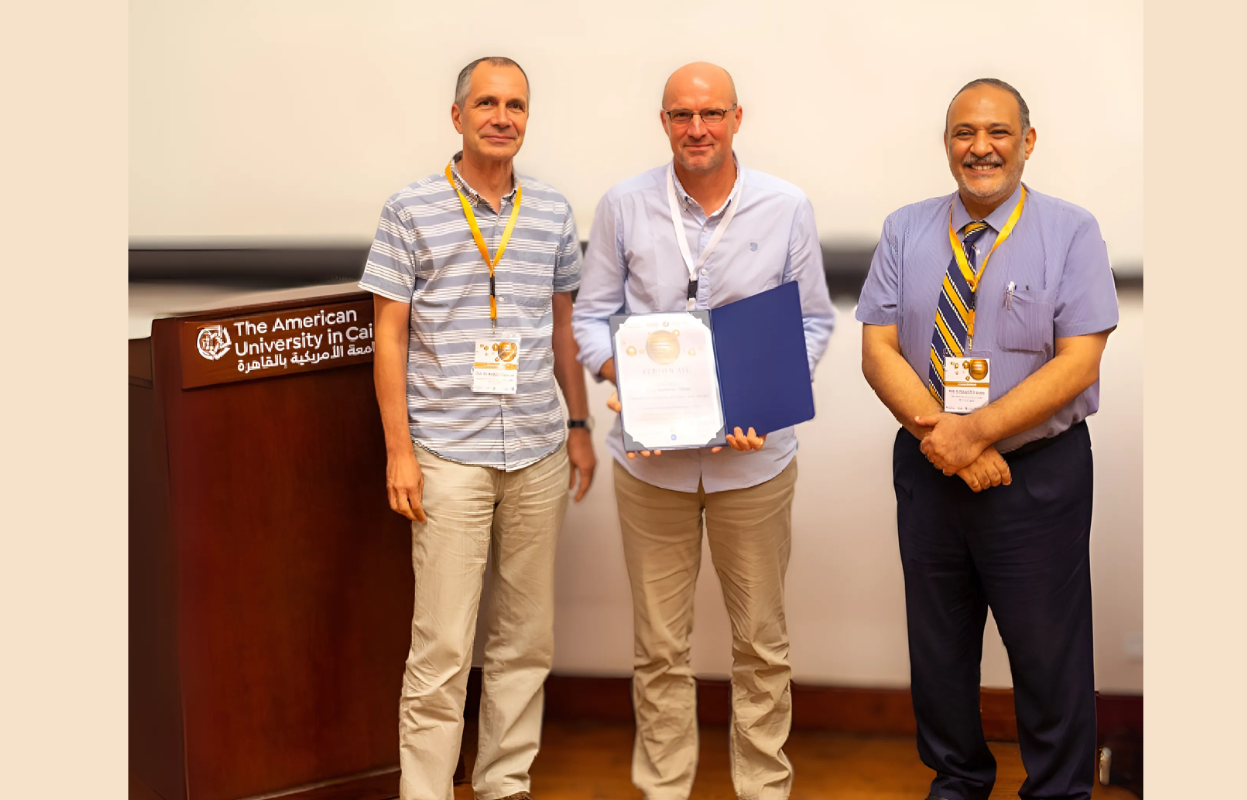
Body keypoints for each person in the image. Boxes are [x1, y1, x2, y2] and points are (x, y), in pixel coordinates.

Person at [570, 62, 835, 800]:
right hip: (649, 464)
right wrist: (622, 379)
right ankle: (663, 789)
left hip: (754, 463)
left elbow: (814, 320)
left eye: (711, 114)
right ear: (664, 123)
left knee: (761, 645)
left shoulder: (786, 206)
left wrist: (772, 400)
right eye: (682, 116)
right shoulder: (624, 206)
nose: (697, 129)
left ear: (737, 119)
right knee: (658, 649)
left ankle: (763, 790)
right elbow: (591, 318)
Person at [856, 78, 1120, 800]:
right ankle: (957, 782)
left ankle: (1059, 791)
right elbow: (879, 349)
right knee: (939, 651)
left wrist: (972, 434)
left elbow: (1079, 361)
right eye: (964, 133)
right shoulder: (905, 229)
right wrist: (946, 440)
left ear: (1027, 142)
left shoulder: (1072, 231)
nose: (981, 147)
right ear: (947, 146)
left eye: (998, 132)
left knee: (1047, 654)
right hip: (929, 466)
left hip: (1037, 475)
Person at [358, 56, 597, 800]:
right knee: (442, 646)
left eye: (516, 105)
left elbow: (562, 327)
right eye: (488, 103)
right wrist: (400, 450)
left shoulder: (553, 211)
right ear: (457, 116)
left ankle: (504, 782)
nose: (503, 116)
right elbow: (388, 335)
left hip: (535, 447)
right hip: (447, 454)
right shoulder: (412, 208)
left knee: (526, 640)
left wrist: (580, 425)